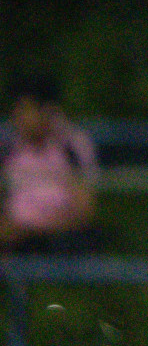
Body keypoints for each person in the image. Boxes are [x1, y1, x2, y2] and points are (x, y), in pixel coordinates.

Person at [1, 76, 99, 254]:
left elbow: (85, 208)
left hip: (61, 235)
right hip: (15, 238)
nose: (18, 117)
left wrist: (38, 228)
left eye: (25, 110)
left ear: (46, 111)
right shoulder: (8, 147)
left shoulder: (72, 145)